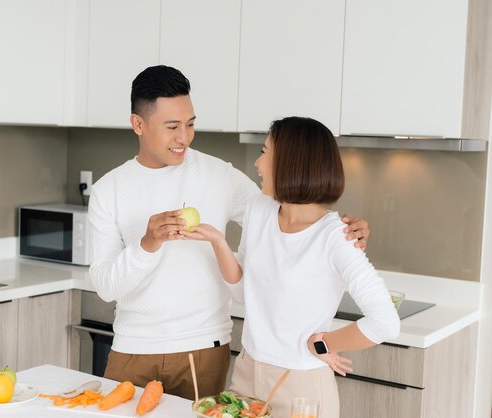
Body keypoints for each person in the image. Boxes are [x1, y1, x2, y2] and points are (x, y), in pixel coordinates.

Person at [87, 65, 370, 400]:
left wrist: (339, 229)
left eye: (190, 124)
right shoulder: (109, 191)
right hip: (132, 349)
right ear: (138, 124)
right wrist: (147, 245)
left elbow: (288, 217)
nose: (184, 137)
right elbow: (105, 286)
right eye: (172, 127)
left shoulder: (219, 175)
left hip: (204, 349)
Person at [183, 116, 400, 417]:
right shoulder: (258, 209)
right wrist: (219, 243)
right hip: (246, 373)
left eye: (264, 151)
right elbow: (244, 293)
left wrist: (323, 344)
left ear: (290, 162)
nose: (257, 163)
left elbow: (385, 321)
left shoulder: (336, 236)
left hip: (301, 386)